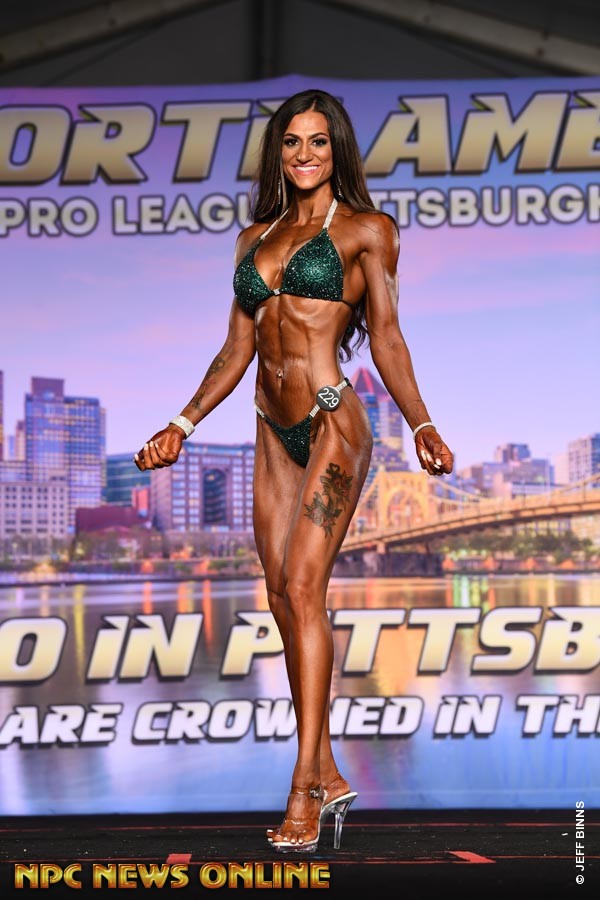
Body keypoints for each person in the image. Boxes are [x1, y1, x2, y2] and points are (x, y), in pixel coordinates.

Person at [133, 89, 454, 853]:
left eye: (317, 141)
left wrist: (422, 422)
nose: (304, 154)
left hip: (333, 420)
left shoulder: (368, 230)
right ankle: (329, 769)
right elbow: (235, 350)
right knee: (281, 594)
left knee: (306, 587)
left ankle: (304, 786)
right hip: (269, 427)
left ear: (336, 149)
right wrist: (181, 424)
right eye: (291, 142)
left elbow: (387, 337)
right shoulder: (254, 238)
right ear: (278, 153)